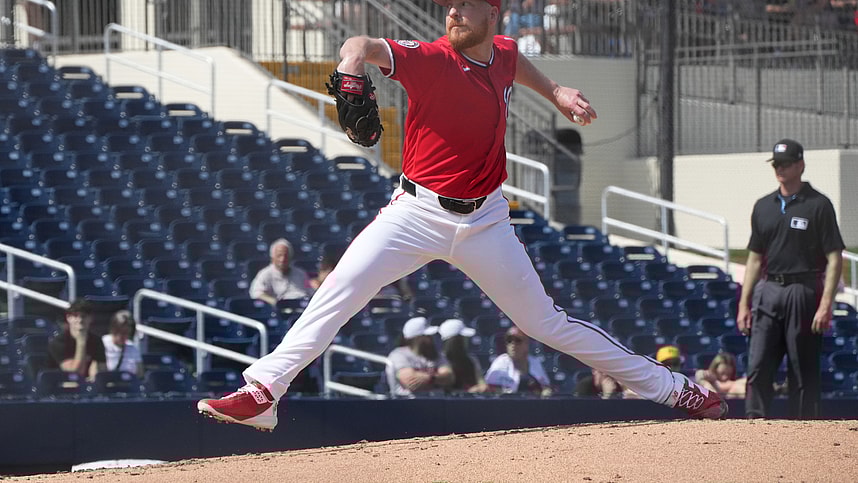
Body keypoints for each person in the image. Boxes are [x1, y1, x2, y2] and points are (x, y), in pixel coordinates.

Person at [198, 0, 726, 431]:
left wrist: (558, 91)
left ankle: (674, 389)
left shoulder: (502, 51)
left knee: (543, 322)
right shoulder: (429, 58)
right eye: (448, 5)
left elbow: (515, 60)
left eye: (466, 6)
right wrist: (350, 69)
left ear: (492, 12)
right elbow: (359, 45)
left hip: (486, 221)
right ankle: (264, 391)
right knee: (337, 293)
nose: (453, 13)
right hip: (416, 212)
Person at [737, 138, 845, 420]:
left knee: (802, 366)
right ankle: (755, 421)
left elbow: (835, 258)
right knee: (759, 363)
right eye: (776, 164)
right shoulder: (764, 206)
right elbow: (754, 259)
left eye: (786, 163)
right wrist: (743, 304)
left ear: (800, 165)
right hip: (769, 288)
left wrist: (825, 305)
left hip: (804, 289)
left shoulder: (818, 205)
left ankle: (803, 427)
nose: (780, 169)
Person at [385, 317, 454, 397]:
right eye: (426, 336)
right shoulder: (398, 355)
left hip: (436, 403)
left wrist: (429, 378)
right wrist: (437, 377)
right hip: (406, 404)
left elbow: (449, 377)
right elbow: (411, 383)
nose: (431, 338)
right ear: (415, 338)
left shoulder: (437, 354)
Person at [47, 299, 106, 381]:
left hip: (90, 387)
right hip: (61, 387)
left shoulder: (97, 341)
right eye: (75, 316)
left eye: (84, 316)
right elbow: (74, 374)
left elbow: (102, 372)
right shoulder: (58, 342)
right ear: (68, 318)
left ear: (90, 318)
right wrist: (81, 342)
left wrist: (96, 375)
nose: (80, 320)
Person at [484, 326, 553, 397]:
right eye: (509, 340)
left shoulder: (534, 362)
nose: (513, 344)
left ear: (527, 344)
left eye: (518, 340)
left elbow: (545, 386)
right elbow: (489, 388)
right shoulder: (501, 362)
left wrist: (545, 391)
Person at [249, 238, 312, 307]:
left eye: (286, 256)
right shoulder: (265, 274)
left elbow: (310, 292)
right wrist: (274, 302)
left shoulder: (300, 273)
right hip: (282, 310)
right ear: (272, 257)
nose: (282, 259)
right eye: (279, 255)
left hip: (302, 307)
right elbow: (256, 293)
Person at [439, 318, 487, 393]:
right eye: (463, 337)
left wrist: (481, 387)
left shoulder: (472, 360)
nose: (466, 340)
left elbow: (481, 383)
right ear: (455, 340)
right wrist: (467, 392)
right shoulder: (440, 361)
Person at [101, 310, 144, 378]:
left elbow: (140, 375)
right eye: (120, 331)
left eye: (127, 333)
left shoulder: (133, 348)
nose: (123, 336)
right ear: (113, 329)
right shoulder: (102, 344)